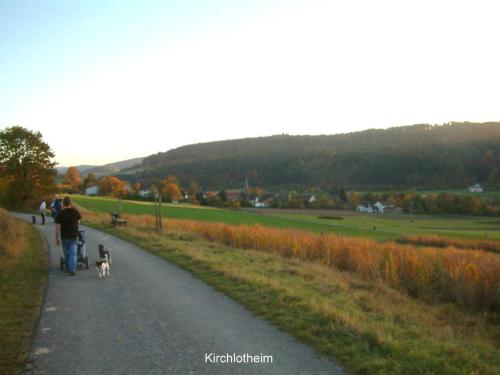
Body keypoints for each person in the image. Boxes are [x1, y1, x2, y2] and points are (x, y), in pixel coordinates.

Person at [55, 196, 82, 276]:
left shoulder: (60, 213)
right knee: (73, 253)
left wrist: (57, 239)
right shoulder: (75, 211)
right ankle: (72, 269)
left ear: (63, 203)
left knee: (67, 253)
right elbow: (78, 222)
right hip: (74, 236)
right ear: (70, 203)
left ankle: (68, 267)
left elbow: (57, 228)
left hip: (64, 237)